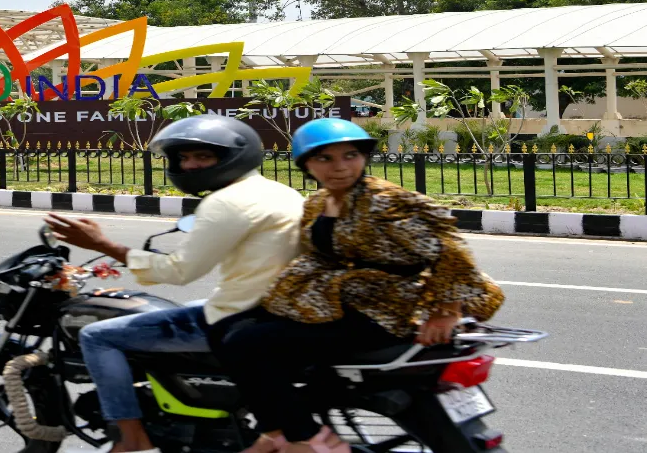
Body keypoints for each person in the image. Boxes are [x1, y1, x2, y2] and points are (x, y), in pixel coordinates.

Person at [206, 118, 506, 453]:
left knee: (247, 342)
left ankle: (306, 437)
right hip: (344, 300)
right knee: (225, 327)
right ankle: (276, 427)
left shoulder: (384, 201)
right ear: (306, 164)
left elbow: (450, 248)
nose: (340, 167)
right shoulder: (320, 203)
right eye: (325, 159)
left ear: (364, 157)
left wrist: (447, 311)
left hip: (389, 308)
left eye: (350, 155)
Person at [46, 115, 305, 453]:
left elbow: (178, 271)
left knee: (96, 336)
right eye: (184, 158)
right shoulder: (277, 190)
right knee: (189, 309)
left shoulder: (225, 202)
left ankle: (130, 436)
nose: (191, 165)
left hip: (242, 315)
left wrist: (102, 245)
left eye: (203, 156)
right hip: (279, 307)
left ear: (232, 156)